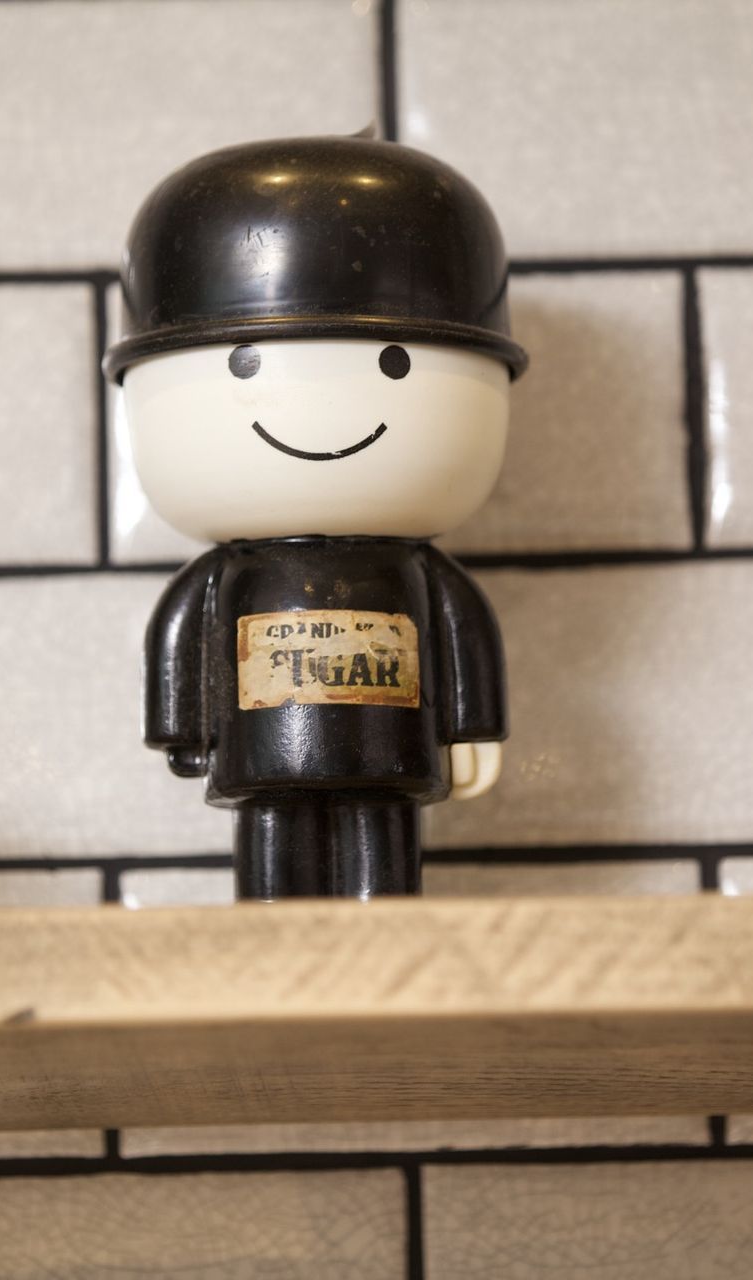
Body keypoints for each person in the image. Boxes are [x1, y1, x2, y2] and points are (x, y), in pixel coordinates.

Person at [104, 135, 528, 900]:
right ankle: (271, 933)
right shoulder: (225, 577)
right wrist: (181, 727)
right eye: (246, 363)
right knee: (272, 842)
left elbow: (463, 632)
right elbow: (179, 636)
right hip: (262, 755)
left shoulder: (419, 574)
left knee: (383, 841)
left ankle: (386, 933)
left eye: (395, 363)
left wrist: (472, 726)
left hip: (389, 752)